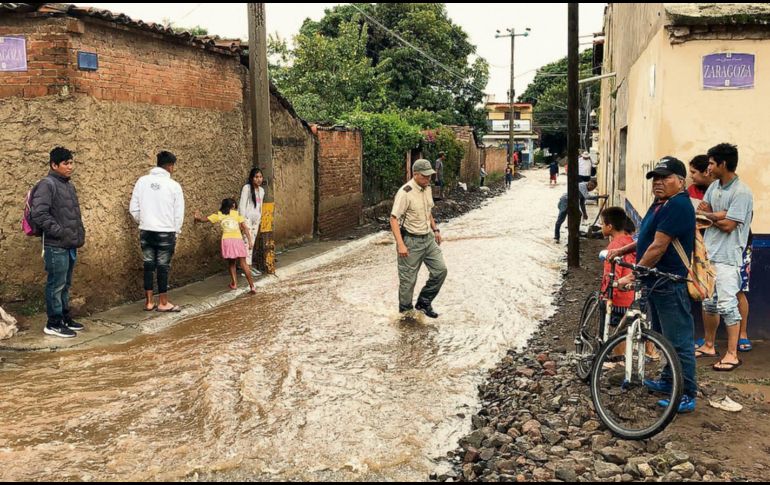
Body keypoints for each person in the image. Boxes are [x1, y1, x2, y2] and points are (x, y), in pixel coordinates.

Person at [615, 156, 697, 413]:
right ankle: (667, 380)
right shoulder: (661, 203)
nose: (659, 183)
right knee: (663, 337)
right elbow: (645, 237)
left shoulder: (679, 206)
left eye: (666, 177)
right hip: (656, 282)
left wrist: (633, 274)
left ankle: (687, 393)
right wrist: (625, 249)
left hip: (669, 282)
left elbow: (659, 246)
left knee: (680, 340)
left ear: (681, 181)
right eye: (656, 178)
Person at [695, 143, 754, 372]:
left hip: (729, 257)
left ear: (723, 164)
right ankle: (709, 345)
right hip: (709, 253)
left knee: (728, 305)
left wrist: (712, 216)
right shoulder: (714, 187)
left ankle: (732, 354)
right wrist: (715, 214)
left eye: (711, 163)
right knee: (709, 303)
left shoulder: (741, 192)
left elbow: (729, 225)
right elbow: (704, 214)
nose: (708, 167)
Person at [30, 147, 86, 338]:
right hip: (56, 246)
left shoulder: (68, 185)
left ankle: (64, 317)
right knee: (56, 285)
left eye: (71, 163)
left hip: (69, 245)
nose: (70, 167)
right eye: (66, 163)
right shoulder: (47, 184)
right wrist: (59, 232)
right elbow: (39, 213)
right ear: (54, 165)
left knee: (66, 284)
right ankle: (53, 323)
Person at [390, 159, 447, 318]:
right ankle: (406, 314)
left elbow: (427, 211)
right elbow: (393, 219)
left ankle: (424, 302)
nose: (429, 179)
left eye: (430, 176)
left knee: (440, 271)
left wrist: (435, 229)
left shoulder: (427, 188)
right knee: (408, 281)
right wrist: (400, 244)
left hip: (428, 238)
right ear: (415, 175)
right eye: (425, 176)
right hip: (411, 241)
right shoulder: (405, 192)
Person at [129, 151, 185, 313]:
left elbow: (134, 208)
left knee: (148, 265)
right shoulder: (174, 186)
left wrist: (145, 220)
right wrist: (176, 231)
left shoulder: (142, 181)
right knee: (162, 267)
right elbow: (178, 213)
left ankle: (148, 302)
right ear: (170, 166)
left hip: (146, 230)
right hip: (165, 232)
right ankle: (163, 302)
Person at [194, 199, 257, 294]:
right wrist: (250, 241)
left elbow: (205, 219)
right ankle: (252, 286)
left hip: (227, 240)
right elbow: (245, 228)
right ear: (233, 205)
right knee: (244, 263)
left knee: (231, 263)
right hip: (238, 240)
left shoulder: (220, 214)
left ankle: (234, 284)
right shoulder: (237, 214)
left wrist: (197, 218)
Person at [239, 168, 265, 277]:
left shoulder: (262, 191)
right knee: (247, 243)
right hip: (247, 220)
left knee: (252, 243)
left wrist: (259, 219)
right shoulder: (247, 188)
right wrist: (242, 221)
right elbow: (242, 205)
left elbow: (260, 207)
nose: (258, 179)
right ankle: (246, 268)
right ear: (252, 178)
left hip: (256, 220)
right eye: (256, 177)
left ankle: (249, 266)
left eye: (260, 177)